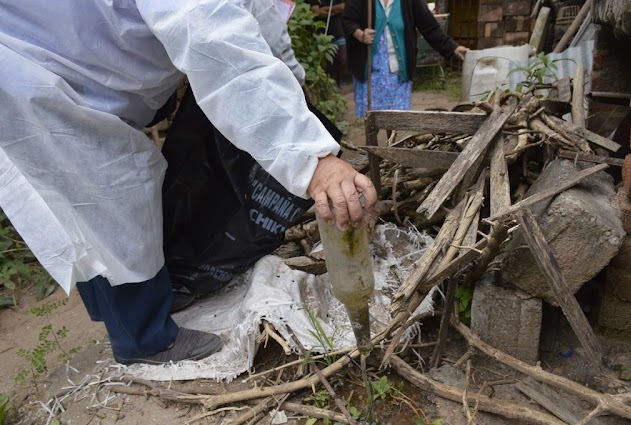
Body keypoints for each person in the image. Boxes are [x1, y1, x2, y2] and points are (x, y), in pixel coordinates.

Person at [0, 0, 376, 365]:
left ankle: (118, 312)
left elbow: (263, 28)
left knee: (84, 206)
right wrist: (312, 159)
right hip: (33, 75)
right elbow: (216, 45)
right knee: (112, 196)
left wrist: (296, 94)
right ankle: (145, 340)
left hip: (67, 65)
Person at [342, 0, 469, 118]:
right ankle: (372, 141)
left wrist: (453, 48)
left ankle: (391, 141)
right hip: (370, 71)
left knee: (396, 118)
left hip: (399, 73)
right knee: (372, 118)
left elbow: (430, 27)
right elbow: (348, 21)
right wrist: (360, 34)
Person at [305, 0, 348, 88]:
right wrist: (334, 10)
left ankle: (337, 77)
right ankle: (330, 83)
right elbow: (317, 12)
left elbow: (343, 7)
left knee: (342, 58)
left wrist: (326, 10)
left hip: (337, 30)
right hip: (320, 33)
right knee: (325, 61)